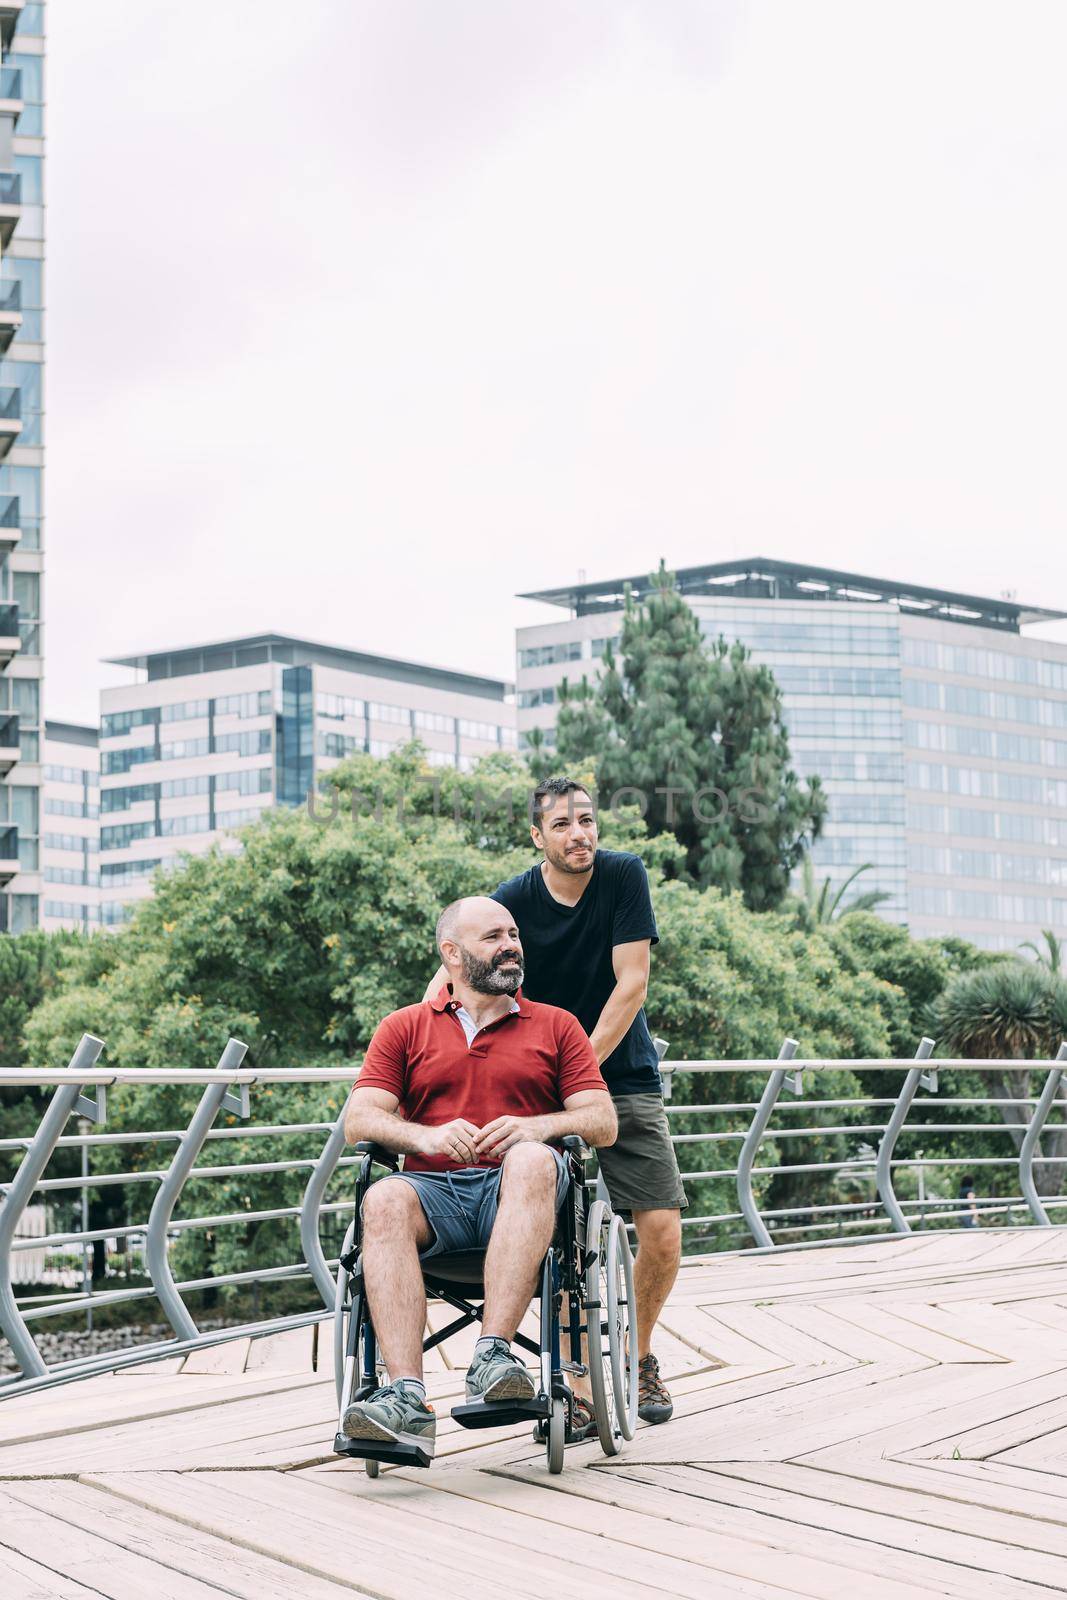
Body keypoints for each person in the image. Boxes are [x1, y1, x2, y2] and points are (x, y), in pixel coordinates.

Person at [423, 775, 687, 1427]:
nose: (579, 834)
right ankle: (572, 1381)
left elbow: (631, 985)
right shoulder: (512, 900)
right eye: (562, 825)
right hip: (536, 1084)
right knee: (563, 1233)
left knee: (660, 1231)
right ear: (537, 837)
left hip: (617, 1074)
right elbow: (447, 983)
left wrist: (578, 1071)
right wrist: (423, 1049)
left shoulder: (623, 877)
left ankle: (639, 1354)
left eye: (587, 820)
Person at [342, 894, 617, 1461]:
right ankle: (405, 1399)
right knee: (385, 1196)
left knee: (534, 1158)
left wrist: (533, 1128)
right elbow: (360, 1119)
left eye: (513, 934)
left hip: (522, 1194)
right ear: (452, 952)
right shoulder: (404, 1028)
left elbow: (602, 1122)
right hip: (433, 1194)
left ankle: (494, 1357)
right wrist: (425, 1136)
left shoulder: (557, 1026)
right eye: (493, 936)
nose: (511, 945)